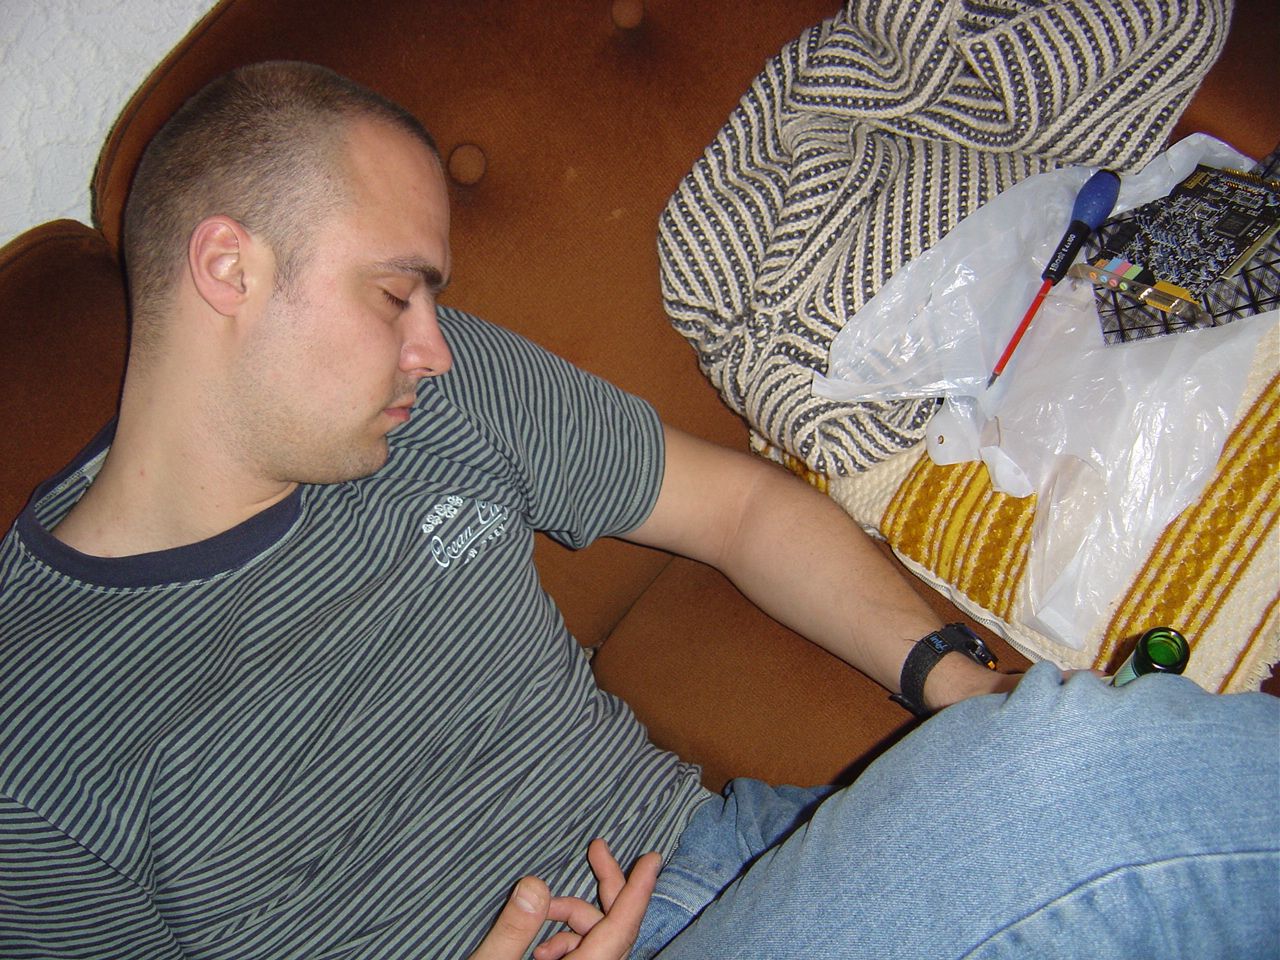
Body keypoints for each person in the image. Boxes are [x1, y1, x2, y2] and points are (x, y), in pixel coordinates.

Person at [0, 61, 1274, 960]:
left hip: (744, 858)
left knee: (1082, 785)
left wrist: (957, 684)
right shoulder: (32, 729)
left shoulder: (439, 395)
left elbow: (738, 510)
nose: (433, 345)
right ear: (229, 267)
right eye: (395, 295)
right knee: (1074, 779)